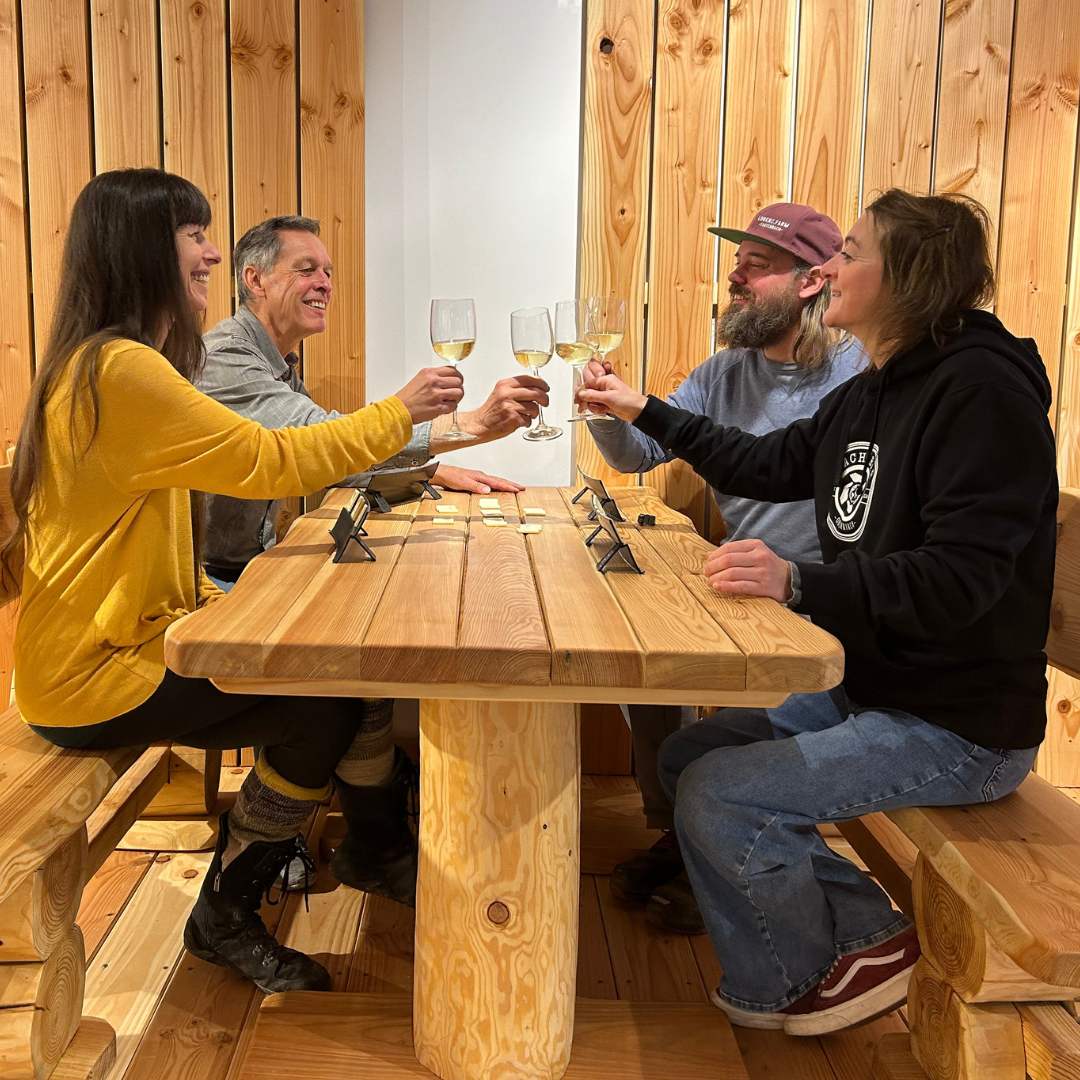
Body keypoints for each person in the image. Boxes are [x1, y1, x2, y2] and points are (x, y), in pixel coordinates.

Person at [578, 189, 1054, 1035]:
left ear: (907, 277)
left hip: (961, 725)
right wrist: (642, 410)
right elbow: (764, 463)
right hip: (875, 689)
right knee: (690, 756)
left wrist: (799, 583)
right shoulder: (873, 391)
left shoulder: (982, 394)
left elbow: (962, 579)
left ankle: (799, 978)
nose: (831, 268)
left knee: (723, 795)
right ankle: (868, 935)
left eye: (852, 252)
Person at [0, 168, 463, 996]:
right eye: (194, 236)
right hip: (91, 678)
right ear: (142, 249)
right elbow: (268, 460)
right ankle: (228, 912)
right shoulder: (120, 371)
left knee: (337, 686)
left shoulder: (108, 362)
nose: (211, 253)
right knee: (321, 706)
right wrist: (403, 411)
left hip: (115, 651)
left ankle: (351, 854)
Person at [585, 203, 865, 934]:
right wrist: (607, 410)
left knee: (734, 730)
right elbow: (639, 454)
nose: (735, 278)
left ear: (810, 282)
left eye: (756, 266)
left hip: (829, 604)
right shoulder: (722, 372)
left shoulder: (858, 374)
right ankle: (683, 835)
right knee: (644, 667)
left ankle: (718, 850)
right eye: (736, 263)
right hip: (742, 591)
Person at [198, 214, 550, 590]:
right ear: (255, 280)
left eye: (328, 273)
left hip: (251, 566)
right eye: (306, 270)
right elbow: (316, 441)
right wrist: (469, 423)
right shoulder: (227, 357)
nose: (324, 284)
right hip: (211, 580)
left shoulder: (277, 361)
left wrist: (423, 471)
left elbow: (333, 461)